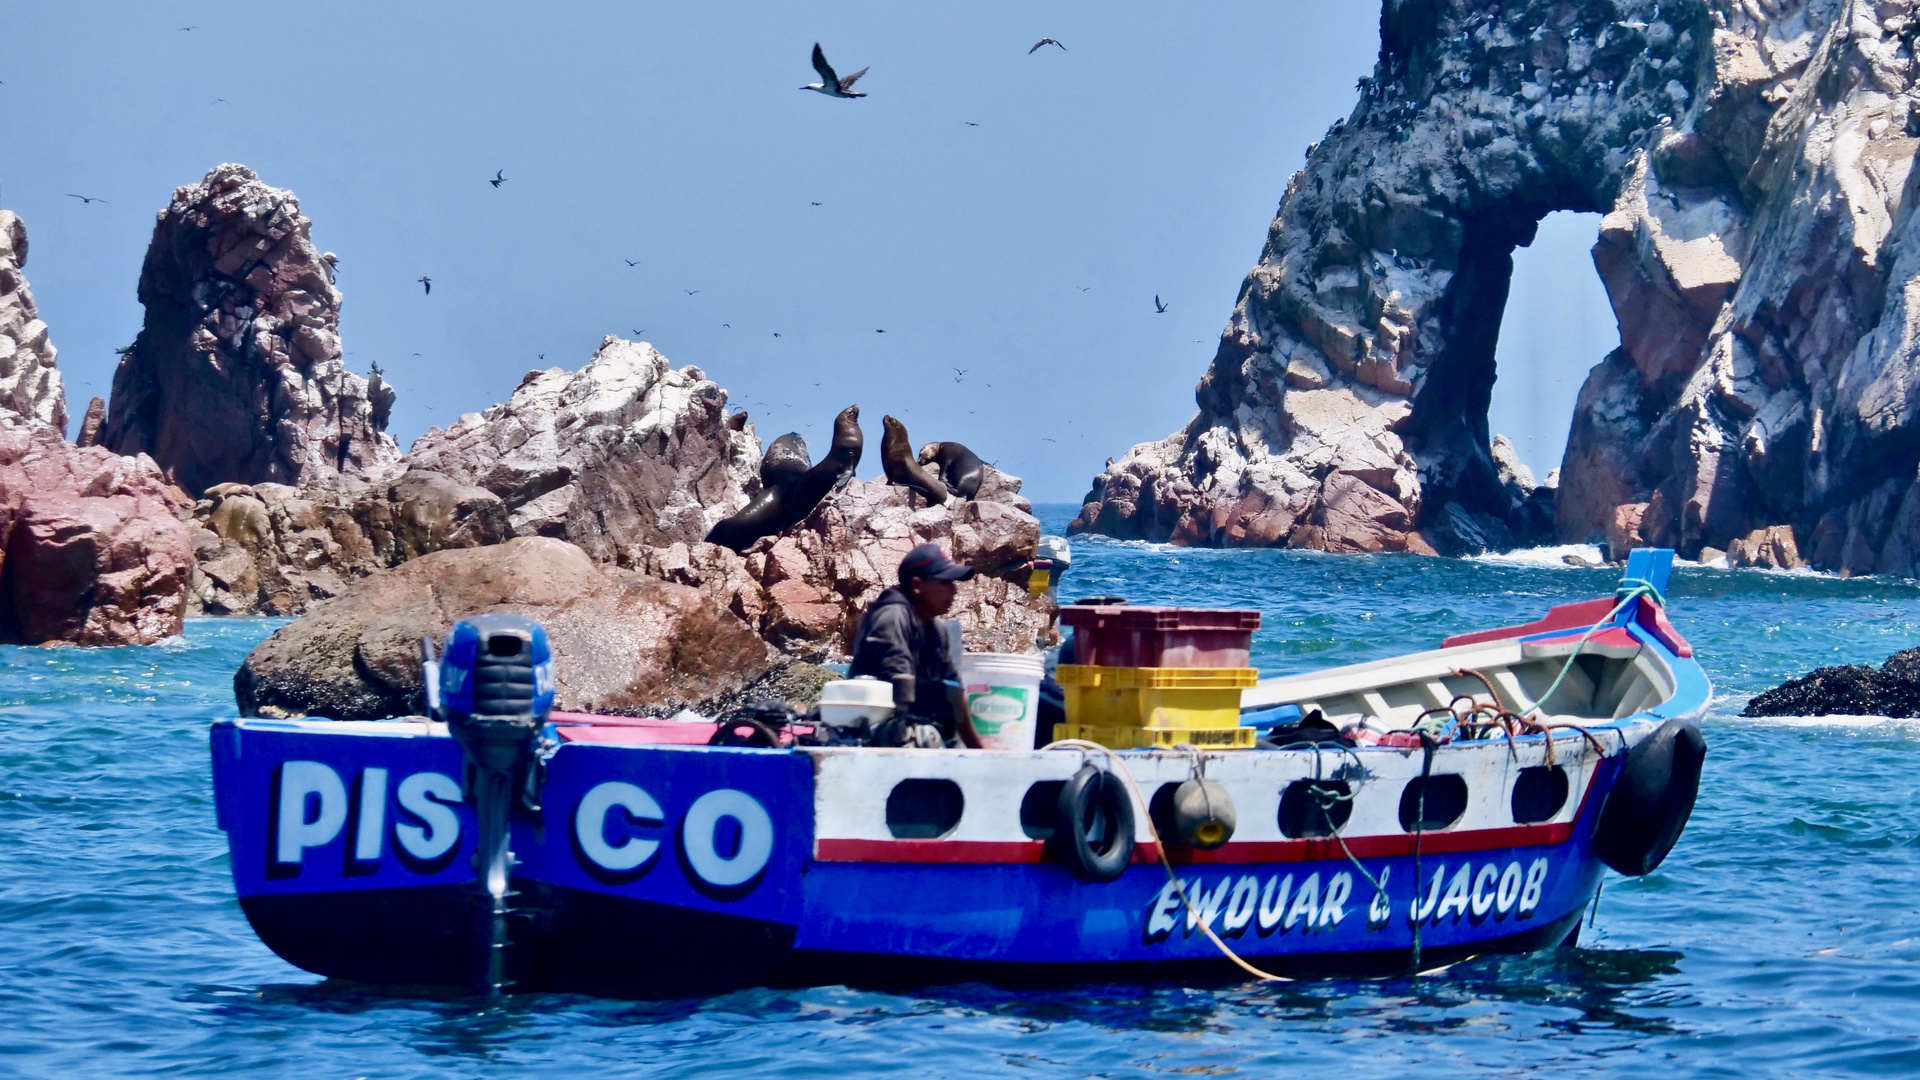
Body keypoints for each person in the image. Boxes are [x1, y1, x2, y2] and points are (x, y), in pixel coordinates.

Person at [849, 543, 974, 746]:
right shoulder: (892, 617)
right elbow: (899, 693)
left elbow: (956, 695)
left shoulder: (937, 629)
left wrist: (979, 751)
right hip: (878, 738)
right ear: (917, 585)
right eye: (945, 583)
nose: (954, 591)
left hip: (921, 733)